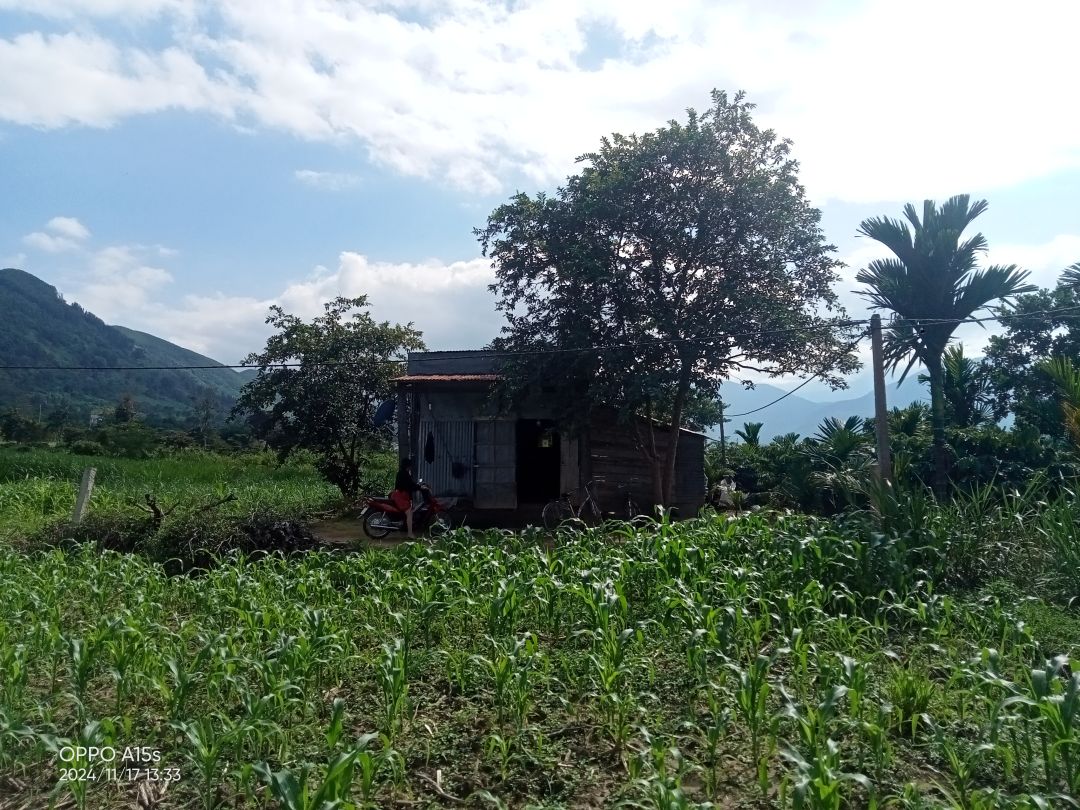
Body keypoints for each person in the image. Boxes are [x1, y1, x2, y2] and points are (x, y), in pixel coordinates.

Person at [392, 457, 421, 537]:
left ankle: (404, 528)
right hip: (401, 496)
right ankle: (410, 534)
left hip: (399, 495)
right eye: (410, 465)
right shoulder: (405, 474)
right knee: (409, 513)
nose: (411, 467)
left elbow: (410, 484)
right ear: (407, 466)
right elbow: (410, 485)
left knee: (407, 512)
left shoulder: (401, 473)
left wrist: (418, 486)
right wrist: (420, 487)